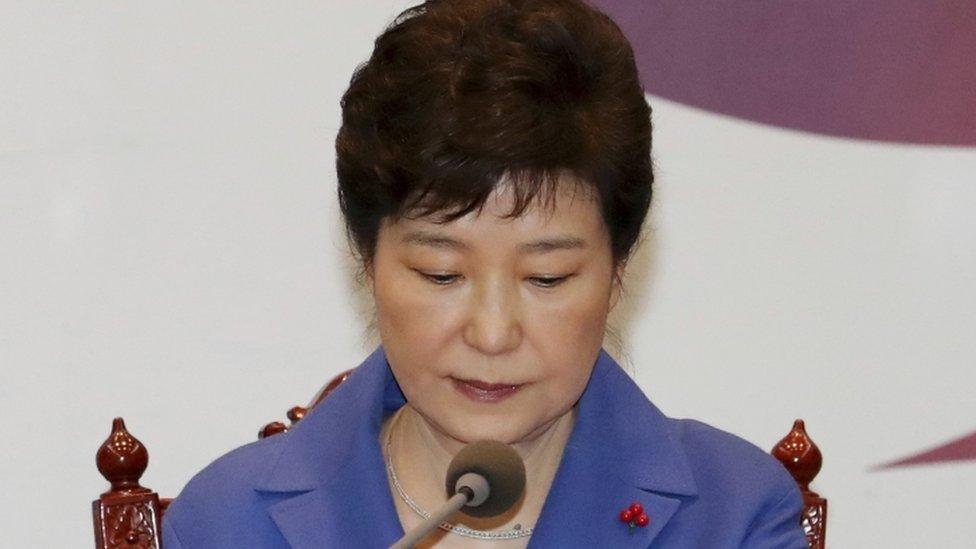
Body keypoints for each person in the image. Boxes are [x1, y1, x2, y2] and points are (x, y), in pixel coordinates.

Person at [162, 1, 808, 547]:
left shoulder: (732, 513)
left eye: (547, 278)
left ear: (617, 272)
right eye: (441, 274)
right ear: (368, 259)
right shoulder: (232, 520)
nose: (493, 334)